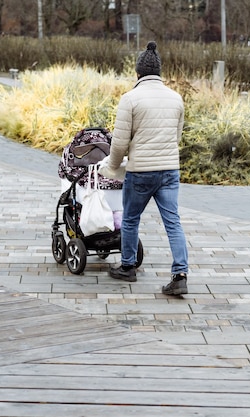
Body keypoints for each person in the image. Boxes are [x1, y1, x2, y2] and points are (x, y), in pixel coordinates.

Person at [101, 41, 189, 296]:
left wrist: (112, 167)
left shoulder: (130, 99)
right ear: (159, 73)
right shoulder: (176, 98)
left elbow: (119, 142)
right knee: (173, 222)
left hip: (141, 172)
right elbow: (177, 136)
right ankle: (180, 274)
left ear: (138, 74)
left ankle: (128, 267)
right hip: (170, 171)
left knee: (130, 219)